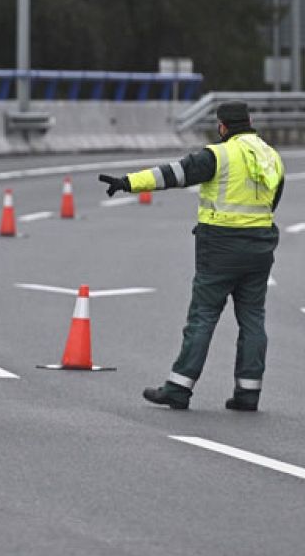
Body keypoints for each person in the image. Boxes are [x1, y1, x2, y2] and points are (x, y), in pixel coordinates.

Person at [98, 101, 285, 411]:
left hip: (220, 247)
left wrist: (128, 182)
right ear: (250, 122)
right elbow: (273, 201)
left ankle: (178, 388)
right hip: (260, 246)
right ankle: (248, 393)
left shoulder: (219, 154)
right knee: (253, 318)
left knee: (203, 316)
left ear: (222, 126)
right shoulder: (271, 155)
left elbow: (175, 174)